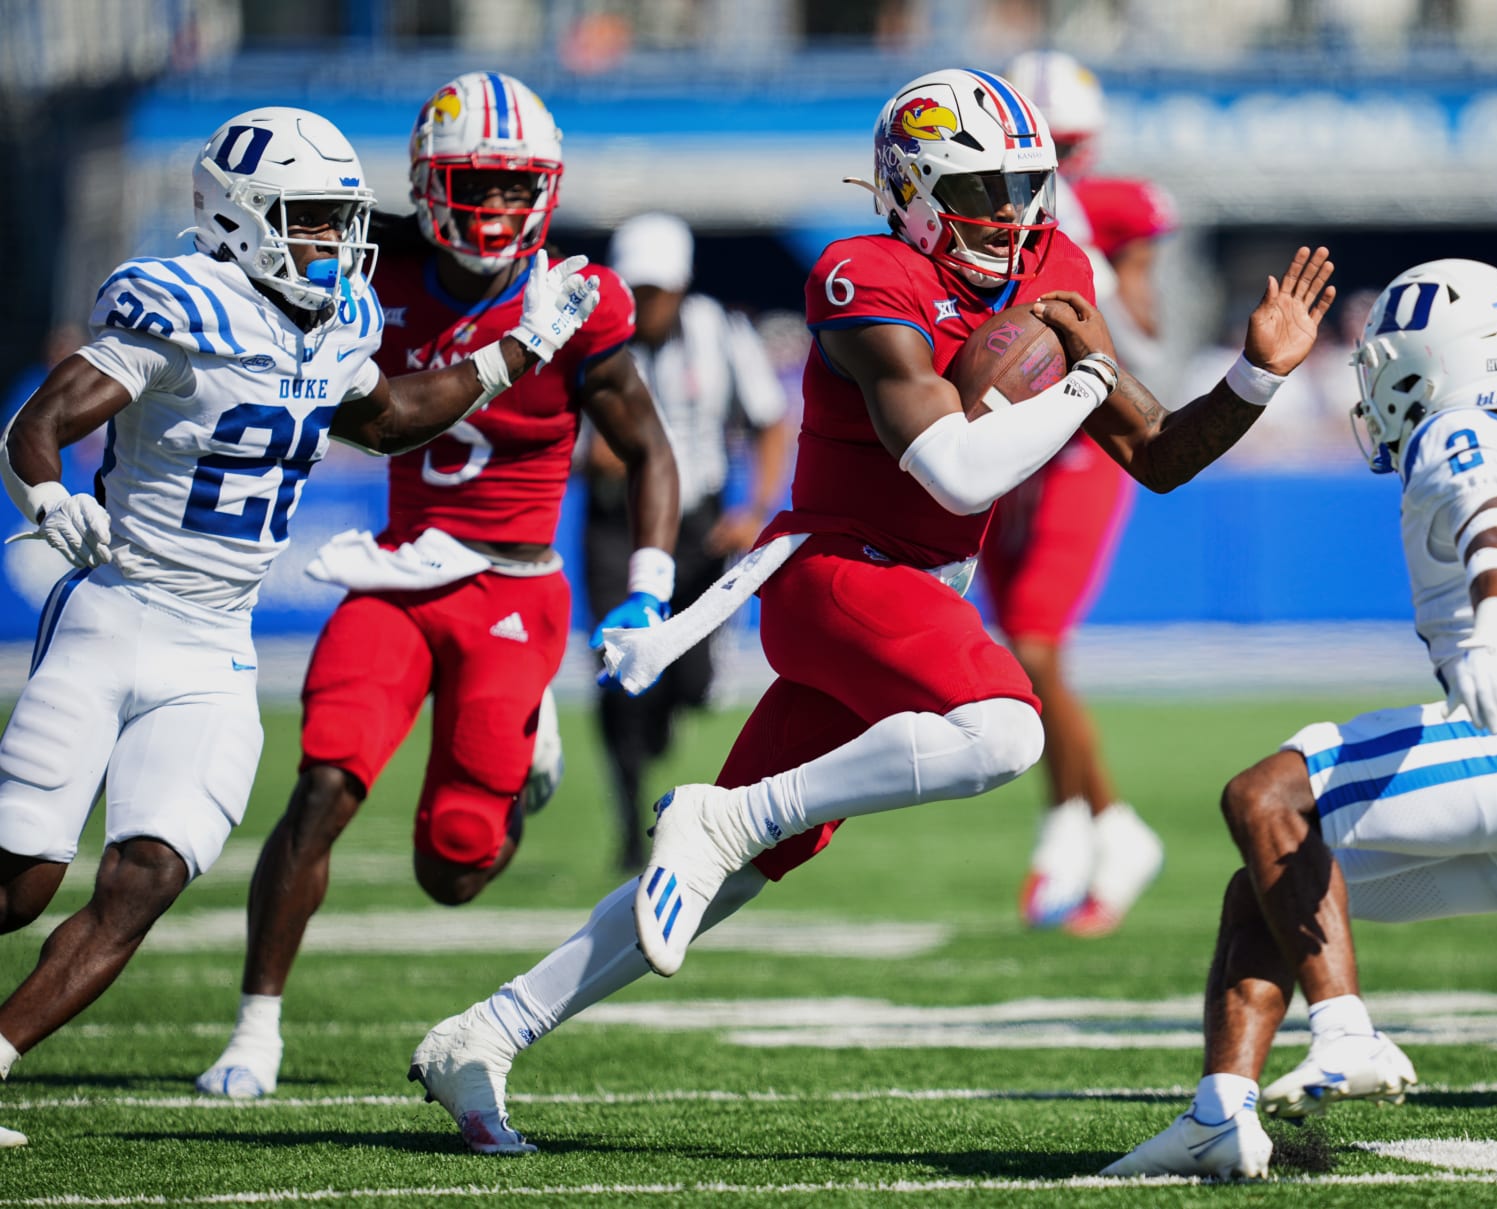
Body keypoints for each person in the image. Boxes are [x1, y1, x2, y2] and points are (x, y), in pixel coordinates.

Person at [403, 66, 1337, 1155]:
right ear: (912, 189)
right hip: (834, 574)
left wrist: (1255, 379)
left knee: (731, 880)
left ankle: (488, 1033)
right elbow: (956, 473)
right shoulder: (863, 276)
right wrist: (1085, 378)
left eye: (1026, 188)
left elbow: (1159, 455)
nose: (1013, 215)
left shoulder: (1050, 262)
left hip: (915, 594)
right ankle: (721, 814)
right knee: (1005, 728)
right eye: (983, 191)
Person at [0, 105, 604, 1148]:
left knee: (146, 876)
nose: (334, 242)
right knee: (23, 880)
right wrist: (52, 498)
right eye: (310, 219)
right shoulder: (181, 304)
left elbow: (394, 417)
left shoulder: (334, 322)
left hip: (217, 643)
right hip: (117, 612)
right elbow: (41, 421)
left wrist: (521, 348)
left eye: (339, 219)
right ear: (238, 218)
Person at [1104, 258, 1497, 1180]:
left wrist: (1494, 625)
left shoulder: (1459, 433)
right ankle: (1220, 1113)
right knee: (1269, 883)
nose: (1377, 388)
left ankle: (1347, 1032)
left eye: (1391, 364)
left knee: (1264, 795)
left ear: (1441, 365)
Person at [191, 74, 678, 1101]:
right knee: (322, 785)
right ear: (424, 184)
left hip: (512, 589)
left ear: (545, 188)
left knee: (454, 868)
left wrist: (649, 585)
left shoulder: (579, 299)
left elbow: (649, 450)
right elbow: (368, 398)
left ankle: (525, 730)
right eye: (474, 183)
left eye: (514, 185)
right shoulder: (376, 276)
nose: (495, 207)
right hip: (400, 573)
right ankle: (255, 1027)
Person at [994, 50, 1178, 936]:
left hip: (1076, 443)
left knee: (1033, 643)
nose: (1054, 166)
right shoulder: (976, 209)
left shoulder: (1106, 208)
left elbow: (1147, 327)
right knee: (1026, 658)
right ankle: (1099, 821)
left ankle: (1072, 822)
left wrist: (1093, 269)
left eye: (1066, 145)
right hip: (997, 448)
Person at [587, 212, 791, 870]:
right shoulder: (591, 332)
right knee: (619, 668)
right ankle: (626, 821)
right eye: (636, 290)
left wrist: (754, 505)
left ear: (679, 288)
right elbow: (547, 427)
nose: (645, 304)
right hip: (617, 520)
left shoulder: (719, 331)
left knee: (695, 680)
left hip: (697, 520)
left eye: (656, 291)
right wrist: (589, 456)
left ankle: (664, 714)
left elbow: (768, 419)